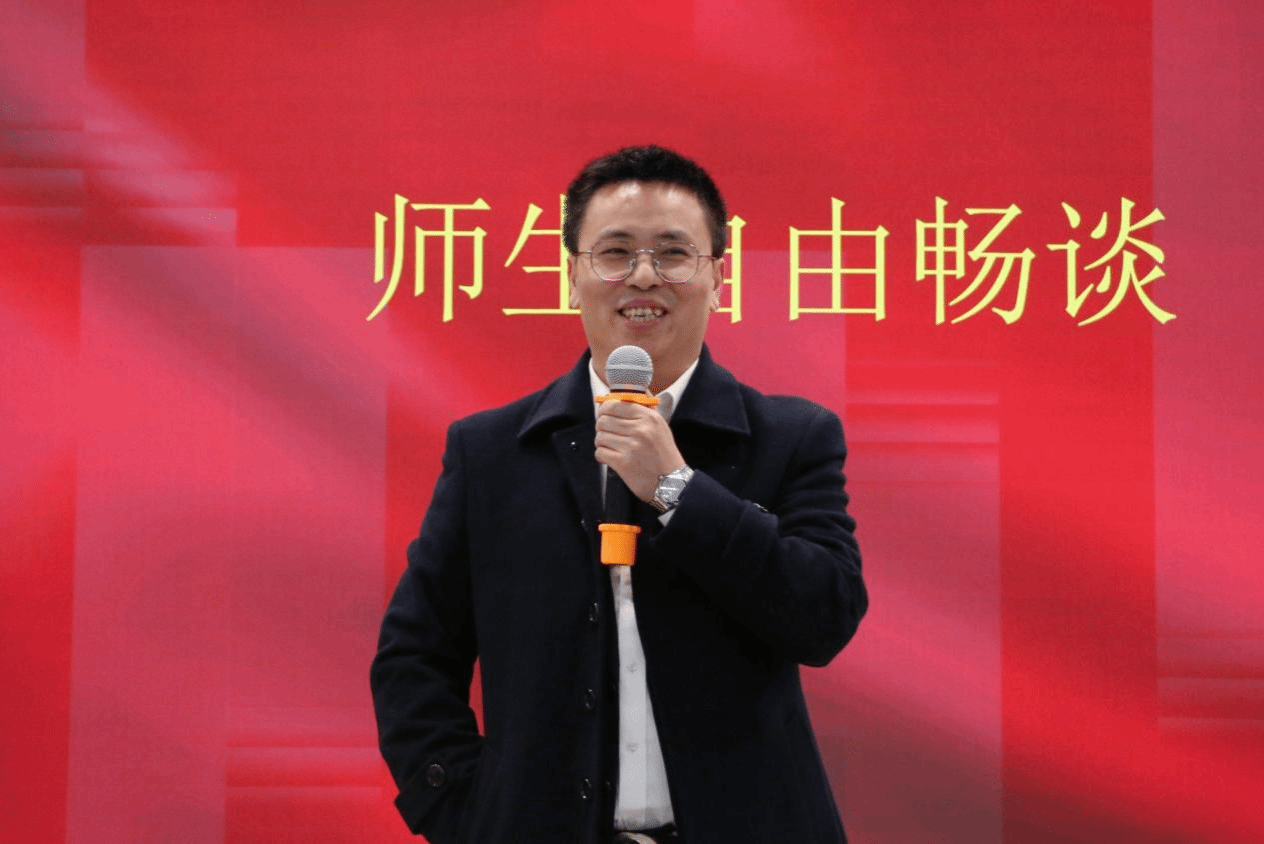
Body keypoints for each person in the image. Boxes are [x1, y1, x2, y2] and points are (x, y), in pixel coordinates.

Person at [371, 145, 868, 843]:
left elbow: (824, 618)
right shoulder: (491, 453)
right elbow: (414, 656)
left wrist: (677, 488)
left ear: (718, 277)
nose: (643, 276)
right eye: (615, 252)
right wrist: (467, 812)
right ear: (573, 276)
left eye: (674, 253)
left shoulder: (791, 437)